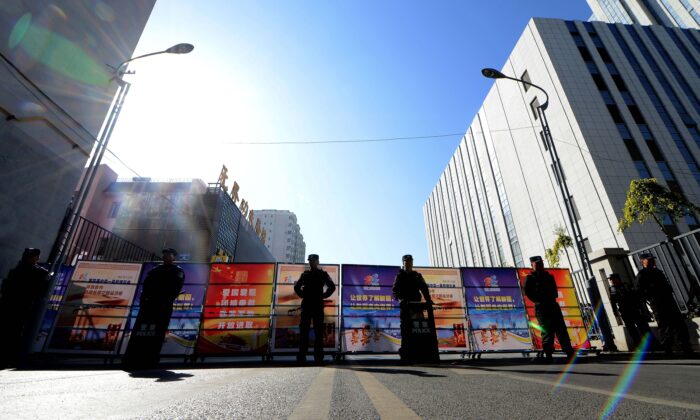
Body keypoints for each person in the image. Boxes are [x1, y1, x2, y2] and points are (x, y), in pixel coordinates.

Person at [123, 248, 185, 370]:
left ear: (174, 257)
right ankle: (132, 358)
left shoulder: (177, 271)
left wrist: (164, 300)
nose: (165, 256)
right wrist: (144, 301)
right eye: (164, 255)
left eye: (169, 255)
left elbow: (175, 289)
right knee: (141, 331)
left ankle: (150, 358)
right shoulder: (155, 270)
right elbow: (145, 287)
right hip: (148, 305)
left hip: (163, 306)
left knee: (157, 332)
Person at [0, 248, 49, 368]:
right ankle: (13, 357)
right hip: (23, 305)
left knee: (7, 330)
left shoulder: (15, 270)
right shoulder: (37, 272)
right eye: (36, 257)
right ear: (35, 257)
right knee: (17, 331)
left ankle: (6, 356)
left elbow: (5, 287)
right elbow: (42, 288)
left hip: (8, 304)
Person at [635, 253, 693, 355]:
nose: (652, 261)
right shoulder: (642, 275)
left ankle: (685, 346)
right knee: (664, 325)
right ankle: (668, 349)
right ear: (642, 261)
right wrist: (649, 300)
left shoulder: (658, 272)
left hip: (669, 300)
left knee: (679, 323)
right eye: (649, 260)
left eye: (653, 259)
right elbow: (639, 291)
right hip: (657, 303)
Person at [524, 255, 574, 361]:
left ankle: (569, 352)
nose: (540, 265)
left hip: (552, 305)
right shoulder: (530, 278)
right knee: (547, 331)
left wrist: (551, 296)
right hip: (541, 307)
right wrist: (538, 299)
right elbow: (528, 292)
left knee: (561, 329)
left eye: (541, 263)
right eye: (537, 263)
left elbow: (555, 290)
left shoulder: (549, 276)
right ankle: (548, 354)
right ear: (532, 265)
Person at [294, 254, 336, 364]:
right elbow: (296, 287)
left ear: (317, 261)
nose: (310, 262)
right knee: (304, 332)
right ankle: (302, 356)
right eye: (309, 261)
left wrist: (324, 296)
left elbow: (332, 287)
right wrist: (303, 295)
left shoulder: (323, 274)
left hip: (317, 305)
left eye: (313, 260)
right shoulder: (305, 274)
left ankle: (318, 357)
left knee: (318, 332)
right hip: (307, 305)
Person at [392, 254, 433, 364]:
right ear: (403, 264)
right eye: (406, 262)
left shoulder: (417, 275)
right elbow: (395, 290)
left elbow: (424, 288)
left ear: (412, 263)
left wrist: (428, 300)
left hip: (417, 307)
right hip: (405, 307)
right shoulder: (399, 276)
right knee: (406, 331)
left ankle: (419, 354)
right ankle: (405, 355)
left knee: (418, 329)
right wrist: (401, 300)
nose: (408, 264)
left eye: (410, 262)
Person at [607, 273, 651, 349]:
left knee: (642, 326)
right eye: (611, 279)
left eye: (613, 279)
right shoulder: (611, 289)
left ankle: (650, 343)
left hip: (633, 309)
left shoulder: (626, 285)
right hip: (624, 311)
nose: (612, 281)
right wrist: (615, 311)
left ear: (618, 279)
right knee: (631, 329)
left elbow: (635, 296)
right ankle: (638, 344)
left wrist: (639, 307)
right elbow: (612, 301)